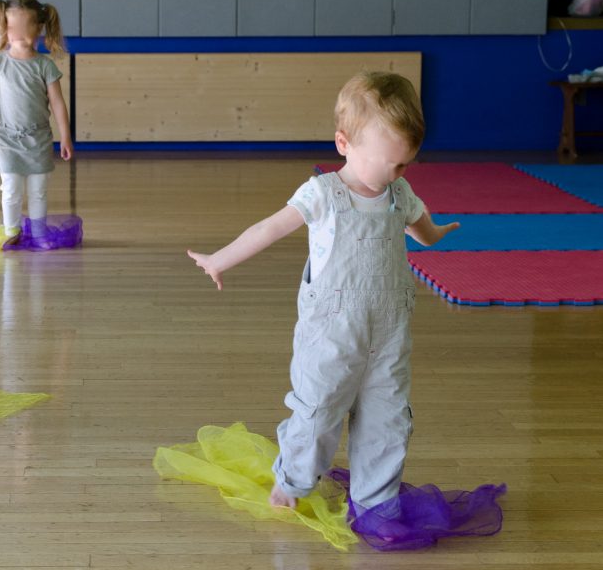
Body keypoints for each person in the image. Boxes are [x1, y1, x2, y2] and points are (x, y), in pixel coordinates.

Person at [187, 72, 460, 527]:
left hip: (388, 335)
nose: (398, 173)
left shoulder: (399, 193)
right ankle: (292, 479)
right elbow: (269, 228)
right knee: (318, 409)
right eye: (390, 163)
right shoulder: (323, 195)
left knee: (388, 418)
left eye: (406, 164)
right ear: (344, 143)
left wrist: (435, 235)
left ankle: (376, 501)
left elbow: (420, 222)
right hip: (332, 333)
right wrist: (220, 259)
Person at [0, 0, 72, 244]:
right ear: (5, 28)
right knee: (11, 189)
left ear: (38, 28)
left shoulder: (44, 66)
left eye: (24, 28)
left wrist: (66, 137)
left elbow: (58, 103)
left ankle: (38, 234)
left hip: (39, 138)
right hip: (8, 138)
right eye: (12, 28)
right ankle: (11, 232)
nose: (17, 34)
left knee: (38, 190)